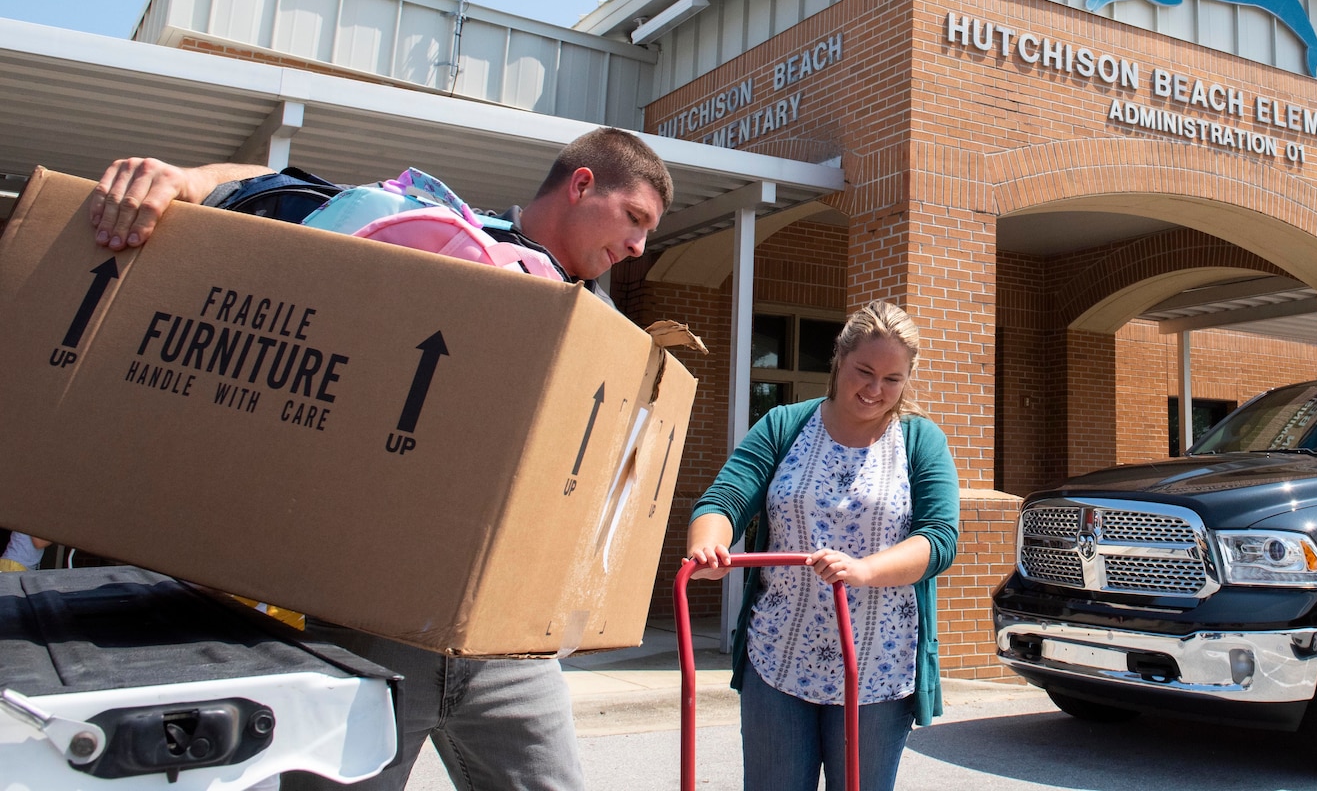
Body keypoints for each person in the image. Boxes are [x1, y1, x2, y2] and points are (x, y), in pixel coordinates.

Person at [89, 127, 674, 791]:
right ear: (581, 185)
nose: (638, 247)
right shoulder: (440, 234)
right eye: (634, 220)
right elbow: (287, 191)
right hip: (373, 629)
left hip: (512, 648)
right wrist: (185, 180)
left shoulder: (605, 323)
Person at [685, 300, 960, 791]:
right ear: (839, 358)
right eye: (864, 371)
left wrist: (864, 569)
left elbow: (939, 539)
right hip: (778, 656)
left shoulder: (920, 441)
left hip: (877, 665)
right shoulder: (784, 425)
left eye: (892, 380)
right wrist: (708, 546)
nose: (875, 390)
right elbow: (725, 499)